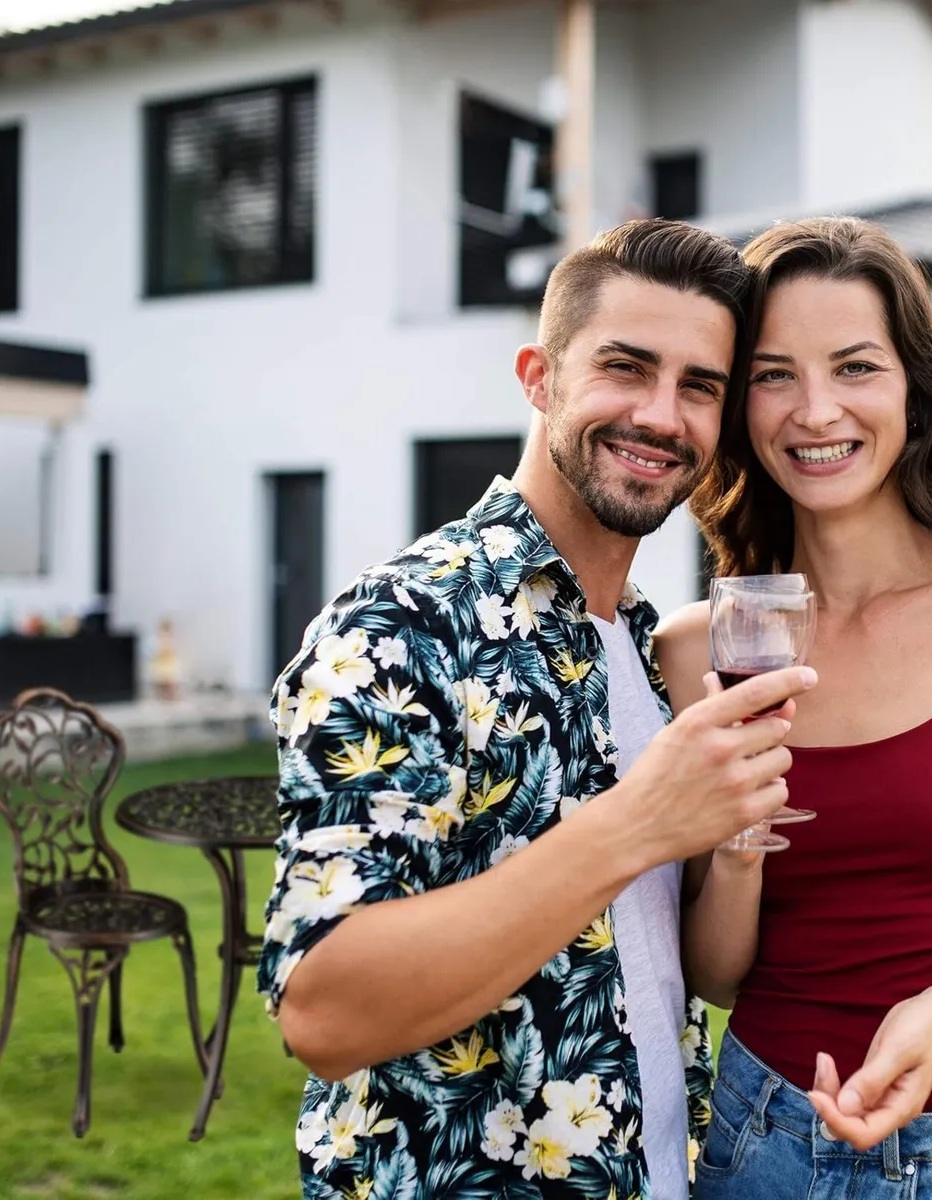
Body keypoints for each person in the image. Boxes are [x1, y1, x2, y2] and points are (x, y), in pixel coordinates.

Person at [257, 219, 819, 1199]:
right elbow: (325, 1012)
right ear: (538, 376)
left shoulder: (648, 650)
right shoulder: (401, 627)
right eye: (626, 367)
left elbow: (666, 970)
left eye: (700, 387)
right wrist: (636, 825)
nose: (660, 414)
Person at [657, 215, 932, 1198]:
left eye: (855, 367)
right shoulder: (700, 649)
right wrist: (737, 846)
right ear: (739, 406)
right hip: (759, 1141)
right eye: (774, 374)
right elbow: (720, 977)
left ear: (916, 387)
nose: (815, 411)